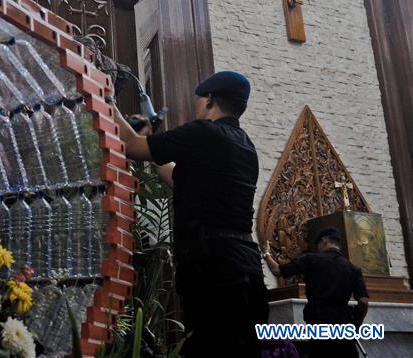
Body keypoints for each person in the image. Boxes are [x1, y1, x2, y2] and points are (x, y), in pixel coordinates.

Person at [111, 70, 268, 357]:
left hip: (213, 273)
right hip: (246, 271)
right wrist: (151, 140)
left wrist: (105, 97)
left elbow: (132, 147)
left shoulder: (203, 132)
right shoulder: (245, 146)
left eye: (199, 100)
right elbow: (175, 176)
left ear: (209, 99)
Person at [264, 227, 369, 358]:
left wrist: (266, 254)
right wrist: (356, 325)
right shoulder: (353, 269)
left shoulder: (311, 259)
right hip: (345, 330)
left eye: (318, 244)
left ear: (324, 241)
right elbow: (363, 302)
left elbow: (277, 271)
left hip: (319, 329)